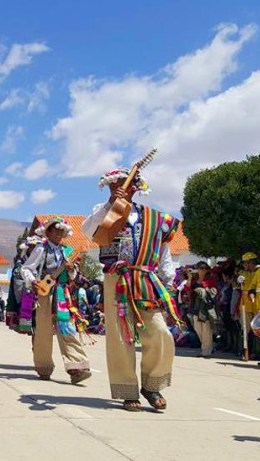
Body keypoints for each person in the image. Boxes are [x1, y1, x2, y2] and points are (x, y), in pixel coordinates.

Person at [82, 167, 179, 412]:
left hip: (147, 279)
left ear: (136, 187)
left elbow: (163, 251)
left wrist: (167, 281)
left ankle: (151, 384)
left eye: (124, 184)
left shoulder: (155, 219)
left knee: (159, 331)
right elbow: (89, 232)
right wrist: (110, 204)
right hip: (117, 278)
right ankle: (127, 390)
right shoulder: (104, 213)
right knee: (120, 335)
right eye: (114, 185)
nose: (119, 188)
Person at [21, 217, 91, 383]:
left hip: (61, 293)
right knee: (43, 331)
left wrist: (72, 268)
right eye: (56, 230)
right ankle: (43, 367)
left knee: (67, 327)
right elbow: (27, 268)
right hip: (45, 294)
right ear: (48, 232)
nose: (59, 234)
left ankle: (76, 367)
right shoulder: (41, 249)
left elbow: (73, 276)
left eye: (62, 231)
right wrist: (33, 281)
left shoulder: (67, 251)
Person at [236, 253, 260, 360]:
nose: (244, 265)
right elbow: (237, 284)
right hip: (245, 304)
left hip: (257, 303)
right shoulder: (243, 273)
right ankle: (244, 351)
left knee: (258, 329)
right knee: (245, 329)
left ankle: (258, 352)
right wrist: (238, 280)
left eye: (246, 262)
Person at [190, 262, 218, 358]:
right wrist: (189, 277)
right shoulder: (194, 280)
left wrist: (203, 289)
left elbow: (213, 292)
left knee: (206, 329)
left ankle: (206, 351)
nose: (201, 270)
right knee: (197, 328)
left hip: (206, 307)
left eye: (203, 269)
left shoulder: (211, 279)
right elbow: (187, 288)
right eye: (199, 268)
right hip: (195, 306)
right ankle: (209, 346)